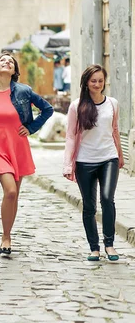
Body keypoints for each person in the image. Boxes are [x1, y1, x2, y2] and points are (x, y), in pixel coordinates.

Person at [0, 52, 53, 255]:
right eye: (3, 60)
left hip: (17, 145)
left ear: (15, 70)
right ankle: (5, 237)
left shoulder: (24, 91)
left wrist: (31, 128)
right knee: (10, 191)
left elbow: (47, 109)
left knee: (14, 195)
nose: (7, 62)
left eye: (11, 61)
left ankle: (7, 236)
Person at [63, 65, 124, 261]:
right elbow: (71, 137)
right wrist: (67, 164)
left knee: (107, 199)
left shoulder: (113, 103)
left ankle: (109, 245)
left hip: (109, 158)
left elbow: (114, 131)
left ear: (105, 82)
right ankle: (94, 248)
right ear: (86, 83)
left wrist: (120, 155)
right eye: (93, 81)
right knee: (89, 206)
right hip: (84, 161)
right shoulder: (76, 105)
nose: (97, 84)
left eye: (100, 80)